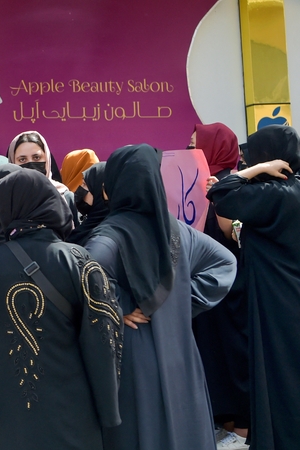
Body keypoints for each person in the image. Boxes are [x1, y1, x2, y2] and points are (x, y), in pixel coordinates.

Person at [84, 144, 237, 450]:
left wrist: (115, 310)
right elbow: (225, 262)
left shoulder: (108, 236)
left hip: (133, 354)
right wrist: (179, 303)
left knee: (144, 431)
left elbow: (85, 278)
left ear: (109, 188)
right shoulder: (179, 230)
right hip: (180, 349)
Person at [0, 168, 123, 449]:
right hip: (73, 410)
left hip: (7, 413)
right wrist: (108, 409)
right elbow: (103, 342)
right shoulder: (78, 261)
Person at [207, 125, 300, 450]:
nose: (246, 161)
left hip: (278, 304)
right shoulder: (290, 192)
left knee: (281, 379)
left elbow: (221, 195)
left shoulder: (277, 193)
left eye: (253, 156)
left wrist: (257, 170)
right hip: (287, 299)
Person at [189, 123, 250, 448]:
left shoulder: (233, 185)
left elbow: (241, 234)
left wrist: (221, 198)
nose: (190, 152)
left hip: (234, 289)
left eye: (197, 145)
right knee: (214, 353)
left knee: (235, 353)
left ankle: (242, 430)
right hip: (208, 289)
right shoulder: (193, 183)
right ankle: (227, 422)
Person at [7, 131, 78, 228]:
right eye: (22, 160)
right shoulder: (7, 199)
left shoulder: (65, 196)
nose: (31, 164)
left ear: (47, 160)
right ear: (12, 162)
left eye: (36, 157)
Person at [66, 162, 108, 246]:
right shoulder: (87, 225)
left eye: (85, 184)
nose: (80, 188)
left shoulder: (99, 239)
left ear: (98, 190)